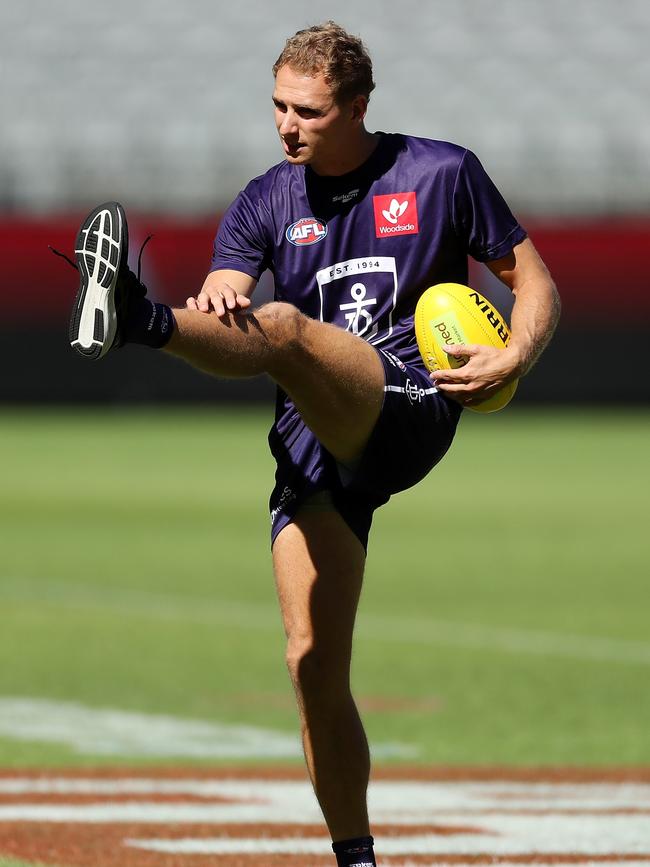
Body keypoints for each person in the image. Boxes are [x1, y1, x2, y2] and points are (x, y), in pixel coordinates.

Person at [67, 21, 560, 867]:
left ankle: (133, 320)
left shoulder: (441, 172)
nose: (287, 125)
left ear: (359, 106)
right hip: (313, 440)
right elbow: (228, 287)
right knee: (310, 664)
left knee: (290, 327)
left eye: (309, 110)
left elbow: (534, 280)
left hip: (410, 400)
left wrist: (514, 353)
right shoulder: (267, 197)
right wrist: (216, 299)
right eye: (277, 106)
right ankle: (357, 859)